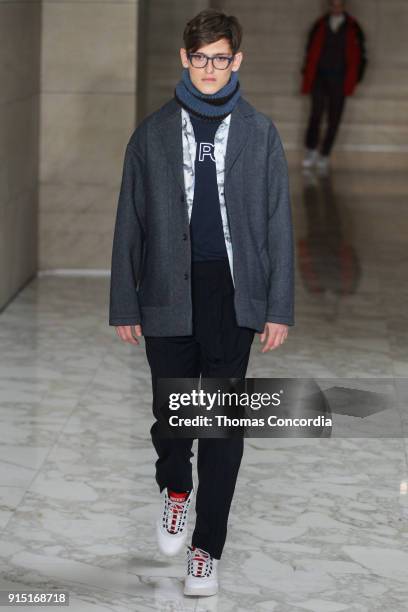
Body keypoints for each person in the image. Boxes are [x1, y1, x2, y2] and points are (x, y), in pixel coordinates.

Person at [109, 8, 295, 597]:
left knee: (219, 427)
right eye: (200, 58)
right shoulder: (153, 133)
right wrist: (124, 302)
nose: (210, 68)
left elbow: (277, 224)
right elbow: (128, 224)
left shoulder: (261, 133)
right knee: (173, 419)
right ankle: (175, 487)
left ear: (236, 60)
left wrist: (278, 305)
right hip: (166, 290)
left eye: (221, 58)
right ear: (185, 61)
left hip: (232, 296)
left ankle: (205, 550)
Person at [301, 0, 367, 171]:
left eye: (339, 5)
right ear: (330, 6)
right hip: (319, 78)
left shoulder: (353, 27)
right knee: (315, 114)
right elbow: (310, 50)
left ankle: (324, 154)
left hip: (340, 79)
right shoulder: (319, 25)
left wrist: (356, 77)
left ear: (344, 7)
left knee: (334, 118)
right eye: (334, 5)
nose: (336, 8)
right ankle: (311, 149)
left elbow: (362, 54)